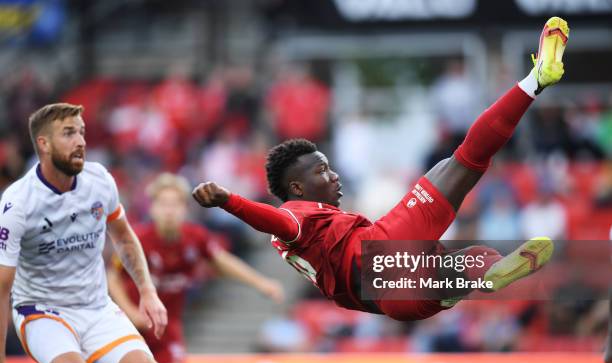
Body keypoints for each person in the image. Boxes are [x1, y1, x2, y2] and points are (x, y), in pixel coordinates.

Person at [192, 17, 569, 322]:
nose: (333, 175)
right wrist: (229, 201)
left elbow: (355, 299)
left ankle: (467, 280)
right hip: (384, 248)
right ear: (297, 187)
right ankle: (535, 80)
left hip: (392, 302)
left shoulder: (307, 253)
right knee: (463, 160)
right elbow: (273, 220)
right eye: (321, 171)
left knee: (473, 258)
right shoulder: (296, 215)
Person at [0, 103, 167, 363]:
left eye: (82, 132)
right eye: (68, 133)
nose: (81, 141)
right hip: (41, 311)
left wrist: (147, 291)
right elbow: (1, 290)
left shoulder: (99, 180)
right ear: (44, 144)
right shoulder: (18, 203)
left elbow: (125, 238)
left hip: (96, 307)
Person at [95, 173, 284, 363]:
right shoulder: (139, 240)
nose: (169, 211)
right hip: (129, 328)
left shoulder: (195, 238)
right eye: (163, 204)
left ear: (185, 209)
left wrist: (261, 283)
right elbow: (113, 277)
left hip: (167, 329)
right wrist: (133, 314)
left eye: (175, 204)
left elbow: (222, 261)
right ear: (153, 208)